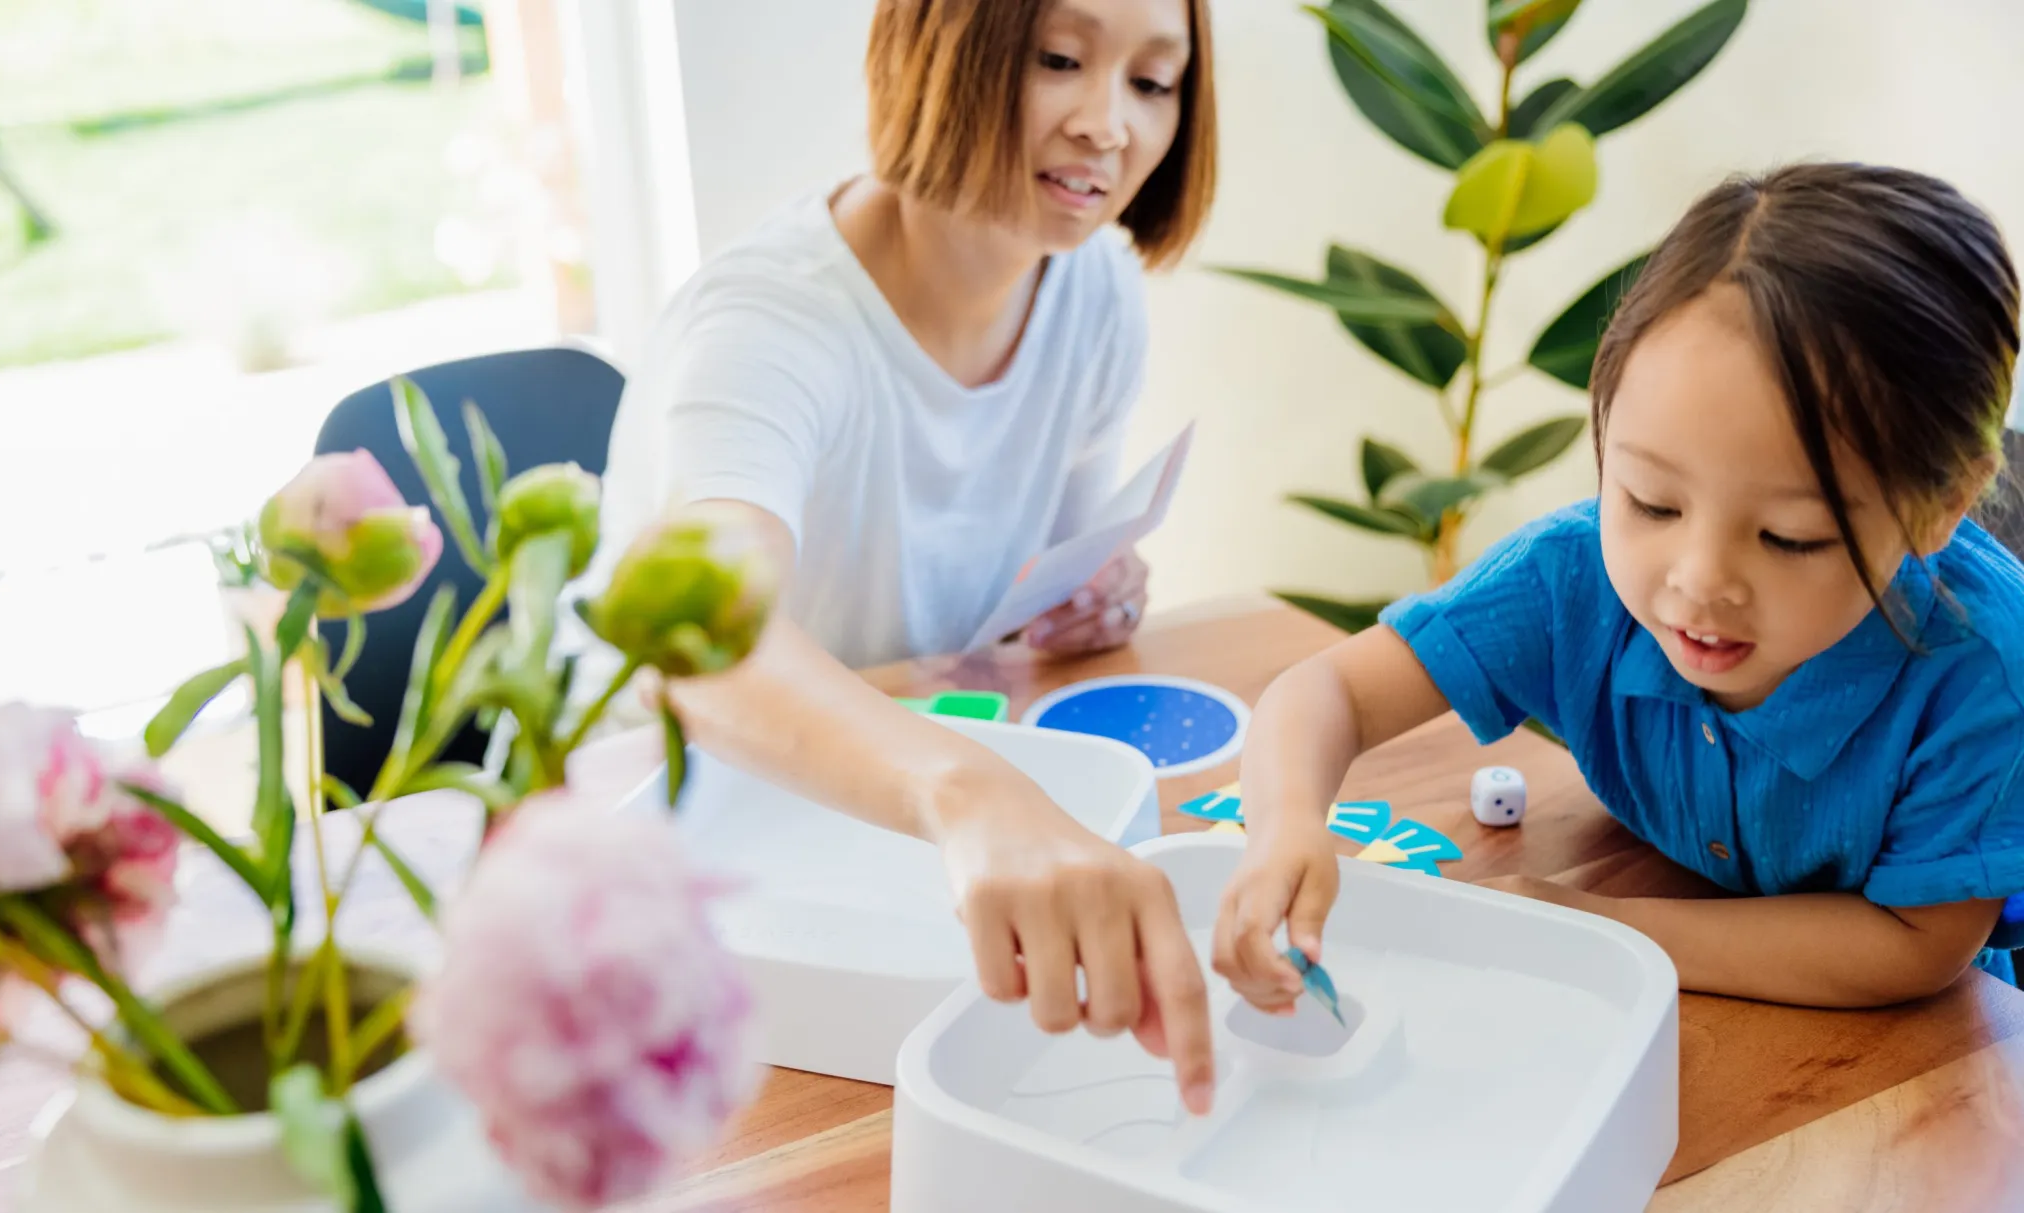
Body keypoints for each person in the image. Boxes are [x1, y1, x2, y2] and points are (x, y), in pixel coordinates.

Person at [575, 0, 1220, 1112]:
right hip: (678, 828)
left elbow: (1009, 590)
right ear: (937, 49)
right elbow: (702, 645)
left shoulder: (1095, 290)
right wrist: (974, 794)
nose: (1107, 125)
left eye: (1153, 83)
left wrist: (1079, 597)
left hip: (897, 801)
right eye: (1059, 60)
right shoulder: (768, 329)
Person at [1213, 162, 2024, 1013]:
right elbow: (1328, 688)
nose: (1699, 581)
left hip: (1916, 1072)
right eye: (1651, 500)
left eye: (1790, 537)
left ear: (1943, 505)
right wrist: (1284, 824)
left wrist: (1597, 926)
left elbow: (1910, 946)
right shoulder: (1569, 574)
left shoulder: (1988, 668)